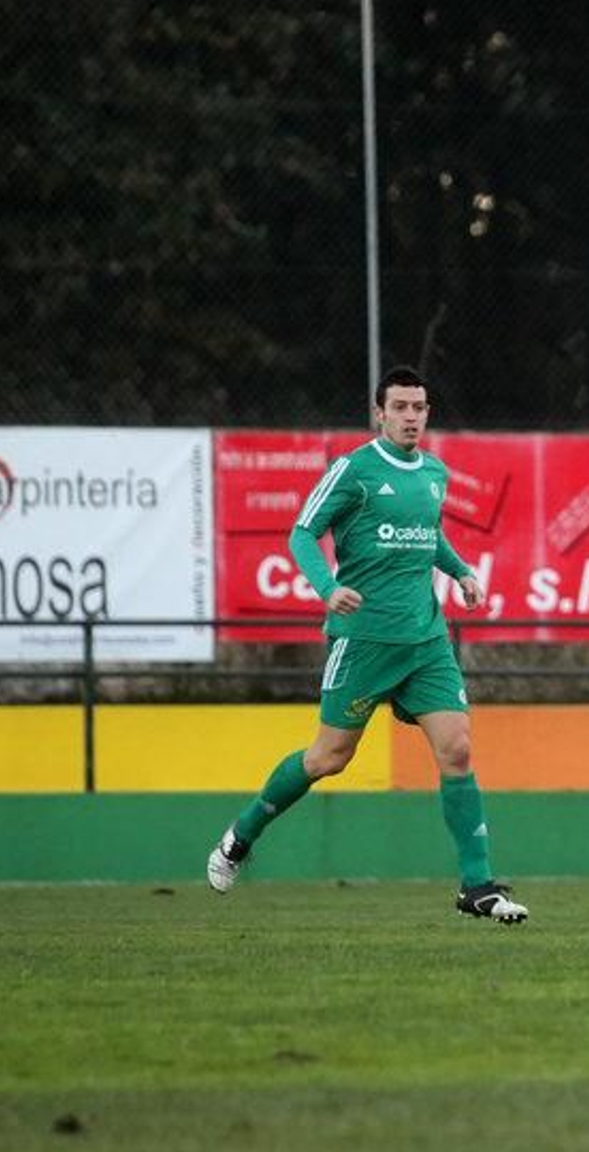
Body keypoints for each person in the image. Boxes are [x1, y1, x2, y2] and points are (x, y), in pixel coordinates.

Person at [205, 366, 528, 924]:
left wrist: (462, 572)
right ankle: (241, 835)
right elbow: (303, 532)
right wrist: (328, 589)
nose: (410, 417)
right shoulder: (352, 470)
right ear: (379, 412)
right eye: (400, 407)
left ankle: (477, 887)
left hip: (426, 641)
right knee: (329, 757)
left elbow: (428, 535)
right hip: (364, 644)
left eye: (419, 407)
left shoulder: (434, 473)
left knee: (457, 749)